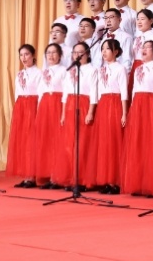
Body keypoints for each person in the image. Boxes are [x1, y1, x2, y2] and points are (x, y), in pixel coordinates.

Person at [121, 42, 153, 196]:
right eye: (142, 47)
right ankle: (138, 183)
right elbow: (134, 91)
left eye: (147, 47)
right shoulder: (138, 69)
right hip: (138, 107)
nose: (143, 49)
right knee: (138, 144)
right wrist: (131, 110)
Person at [89, 39, 130, 195]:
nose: (104, 52)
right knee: (104, 143)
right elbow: (98, 91)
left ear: (116, 52)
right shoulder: (100, 70)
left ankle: (116, 181)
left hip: (115, 104)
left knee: (114, 142)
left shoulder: (120, 68)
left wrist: (124, 112)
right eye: (102, 49)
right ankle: (106, 179)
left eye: (108, 49)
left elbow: (124, 92)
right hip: (103, 104)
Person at [56, 42, 98, 189]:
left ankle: (83, 179)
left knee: (83, 143)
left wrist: (90, 112)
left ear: (87, 54)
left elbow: (94, 92)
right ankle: (71, 177)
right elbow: (65, 93)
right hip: (70, 105)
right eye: (75, 52)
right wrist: (63, 113)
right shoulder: (70, 70)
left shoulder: (92, 70)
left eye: (81, 52)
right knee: (70, 143)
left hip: (84, 104)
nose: (77, 55)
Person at [7, 45, 44, 188]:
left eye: (27, 54)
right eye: (21, 55)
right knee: (22, 140)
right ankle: (26, 174)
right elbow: (17, 93)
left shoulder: (39, 73)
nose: (24, 58)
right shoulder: (19, 74)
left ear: (33, 55)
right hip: (21, 106)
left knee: (31, 141)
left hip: (33, 105)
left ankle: (32, 176)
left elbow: (41, 93)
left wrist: (38, 110)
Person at [35, 44, 67, 189]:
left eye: (54, 52)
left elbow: (66, 91)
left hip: (57, 104)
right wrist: (38, 109)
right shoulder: (44, 71)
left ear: (60, 55)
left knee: (57, 140)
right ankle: (47, 174)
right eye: (48, 53)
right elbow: (40, 92)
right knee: (46, 140)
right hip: (45, 105)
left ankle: (57, 176)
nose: (51, 55)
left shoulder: (64, 70)